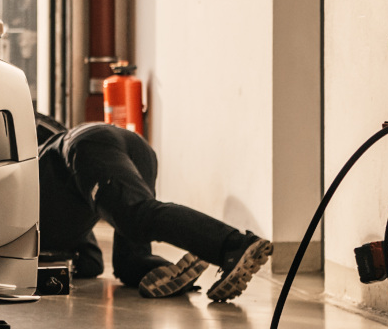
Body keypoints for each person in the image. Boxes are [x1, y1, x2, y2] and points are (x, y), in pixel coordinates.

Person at [37, 116, 272, 301]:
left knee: (136, 215)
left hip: (87, 146)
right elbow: (92, 261)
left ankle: (233, 245)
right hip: (132, 147)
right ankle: (173, 274)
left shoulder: (26, 216)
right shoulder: (58, 224)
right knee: (130, 262)